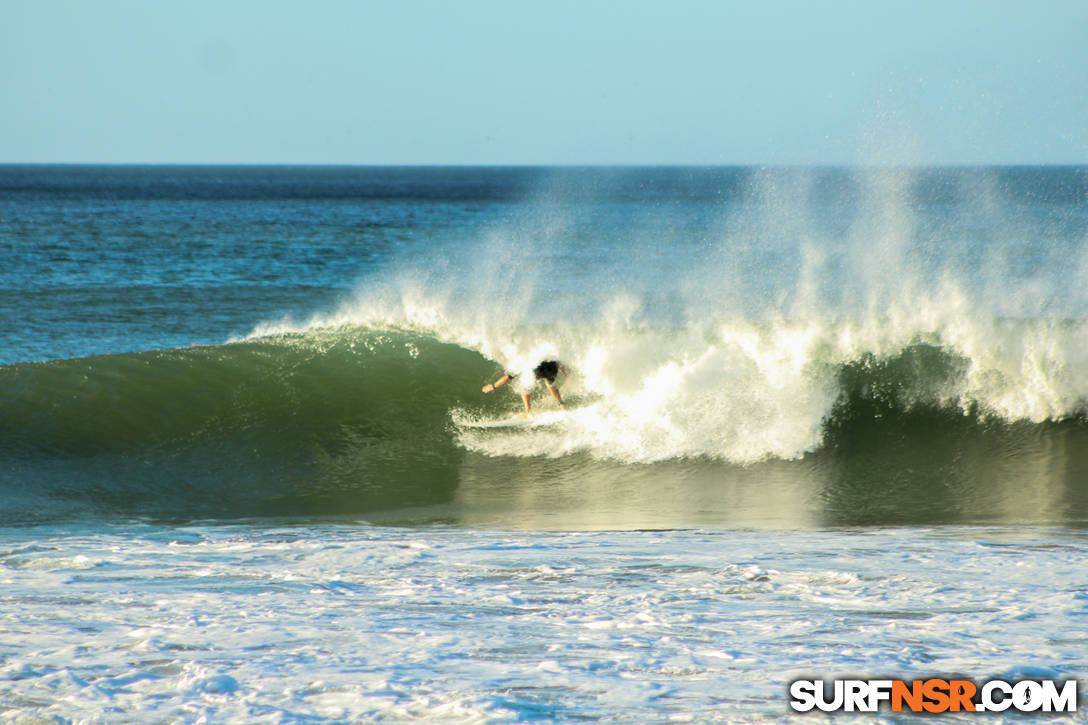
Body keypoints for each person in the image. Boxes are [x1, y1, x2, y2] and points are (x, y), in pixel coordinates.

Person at [482, 360, 568, 415]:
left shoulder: (525, 360)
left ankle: (528, 411)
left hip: (539, 369)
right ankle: (562, 406)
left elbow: (508, 377)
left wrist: (493, 386)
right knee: (551, 385)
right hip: (552, 368)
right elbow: (559, 364)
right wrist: (568, 375)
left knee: (524, 388)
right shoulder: (543, 351)